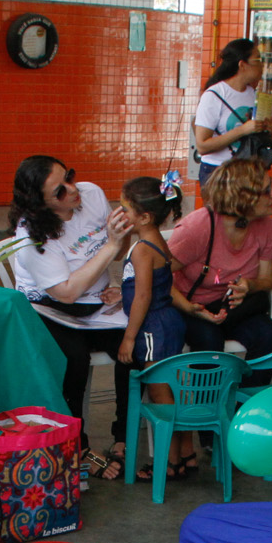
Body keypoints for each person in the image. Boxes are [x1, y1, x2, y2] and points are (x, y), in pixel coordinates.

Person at [9, 154, 133, 475]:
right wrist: (111, 244)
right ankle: (78, 448)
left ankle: (123, 436)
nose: (72, 189)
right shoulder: (32, 235)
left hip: (98, 303)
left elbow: (119, 250)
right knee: (74, 359)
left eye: (69, 177)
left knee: (134, 346)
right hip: (49, 309)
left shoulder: (91, 194)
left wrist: (121, 233)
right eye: (59, 191)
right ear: (40, 204)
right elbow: (65, 292)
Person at [167, 157, 272, 360]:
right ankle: (209, 393)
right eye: (265, 191)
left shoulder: (265, 226)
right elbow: (157, 275)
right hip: (191, 307)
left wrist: (249, 285)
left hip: (233, 310)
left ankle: (251, 392)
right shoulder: (197, 227)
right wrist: (190, 308)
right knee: (209, 340)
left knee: (268, 335)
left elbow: (267, 280)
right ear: (242, 197)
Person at [116, 173, 190, 480]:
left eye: (125, 210)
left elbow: (144, 295)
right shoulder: (158, 240)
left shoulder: (143, 248)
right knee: (172, 391)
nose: (121, 215)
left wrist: (129, 338)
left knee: (162, 398)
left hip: (152, 329)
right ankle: (186, 455)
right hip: (170, 322)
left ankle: (170, 464)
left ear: (144, 216)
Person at [193, 39, 272, 187]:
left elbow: (258, 131)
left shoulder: (253, 94)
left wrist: (266, 130)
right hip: (218, 172)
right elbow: (202, 146)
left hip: (246, 171)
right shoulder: (215, 95)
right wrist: (243, 130)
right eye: (257, 60)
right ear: (242, 65)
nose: (262, 65)